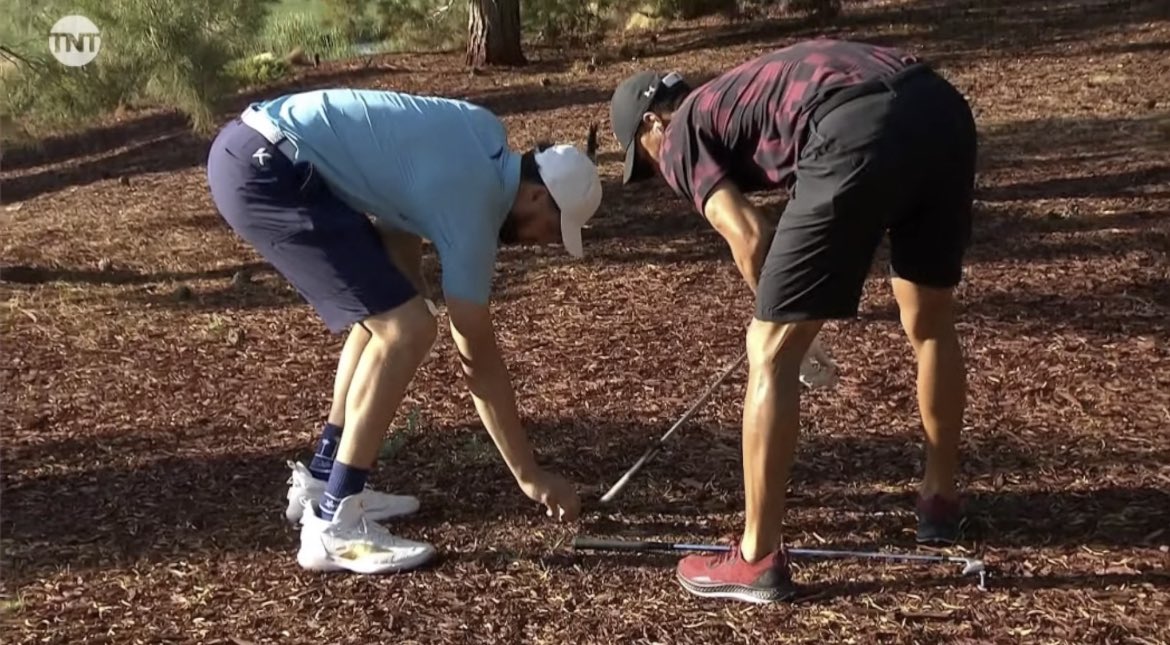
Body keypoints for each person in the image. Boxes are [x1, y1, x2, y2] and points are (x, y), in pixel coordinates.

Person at [609, 38, 976, 603]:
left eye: (646, 159)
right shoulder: (736, 91)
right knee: (929, 322)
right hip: (938, 107)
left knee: (769, 351)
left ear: (654, 124)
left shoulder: (680, 132)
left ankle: (755, 558)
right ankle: (939, 498)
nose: (659, 172)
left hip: (853, 124)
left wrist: (790, 333)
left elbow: (750, 235)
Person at [206, 88, 602, 575]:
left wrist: (408, 288)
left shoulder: (482, 133)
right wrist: (530, 475)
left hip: (259, 147)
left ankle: (325, 481)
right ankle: (335, 527)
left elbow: (399, 203)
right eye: (551, 227)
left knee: (394, 313)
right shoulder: (478, 201)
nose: (543, 242)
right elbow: (477, 354)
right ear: (538, 194)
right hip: (270, 170)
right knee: (407, 329)